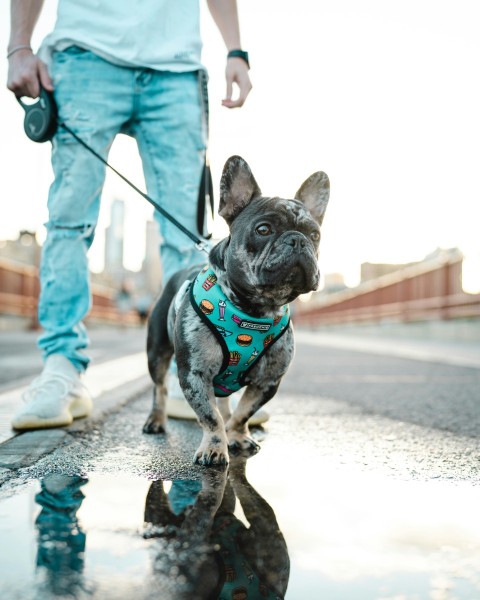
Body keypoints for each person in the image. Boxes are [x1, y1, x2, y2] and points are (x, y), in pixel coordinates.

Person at [7, 0, 259, 430]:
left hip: (175, 68)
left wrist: (235, 49)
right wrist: (18, 46)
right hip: (84, 54)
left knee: (188, 236)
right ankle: (62, 371)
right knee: (68, 222)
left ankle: (193, 371)